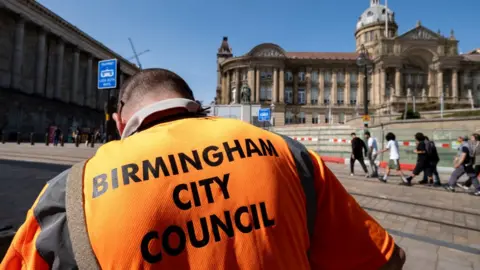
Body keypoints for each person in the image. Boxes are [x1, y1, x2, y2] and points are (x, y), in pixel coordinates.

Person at [1, 69, 405, 269]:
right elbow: (378, 260)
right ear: (191, 102)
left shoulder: (68, 192)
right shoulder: (287, 154)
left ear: (120, 121)